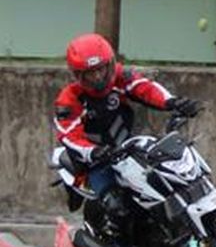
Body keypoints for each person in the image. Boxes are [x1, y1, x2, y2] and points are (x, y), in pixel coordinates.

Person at [53, 33, 200, 229]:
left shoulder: (120, 77)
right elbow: (69, 135)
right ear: (79, 75)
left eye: (101, 69)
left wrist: (172, 102)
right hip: (95, 161)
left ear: (110, 64)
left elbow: (143, 87)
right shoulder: (69, 99)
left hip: (129, 148)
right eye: (90, 73)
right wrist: (93, 151)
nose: (97, 76)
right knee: (117, 206)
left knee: (167, 182)